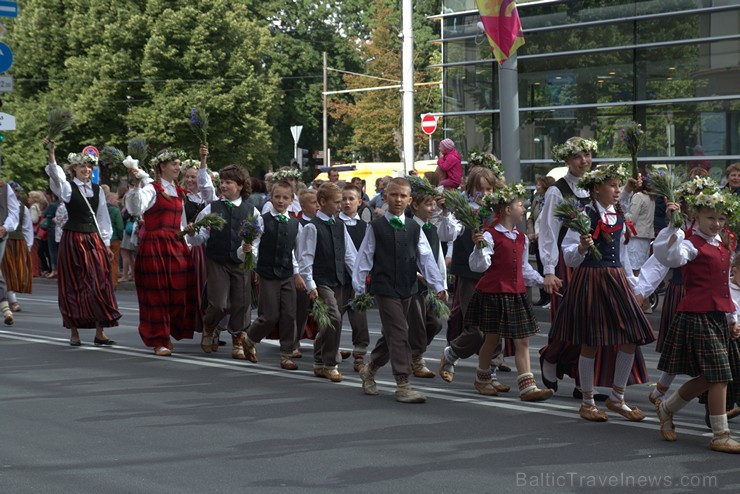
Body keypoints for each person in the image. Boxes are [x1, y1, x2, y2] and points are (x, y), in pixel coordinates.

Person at [549, 163, 654, 422]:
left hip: (616, 277)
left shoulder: (618, 215)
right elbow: (570, 255)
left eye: (619, 186)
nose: (618, 190)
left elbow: (623, 254)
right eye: (612, 185)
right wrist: (583, 248)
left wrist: (634, 284)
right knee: (591, 341)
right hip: (592, 278)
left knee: (632, 335)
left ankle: (617, 397)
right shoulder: (583, 214)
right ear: (596, 188)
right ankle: (587, 401)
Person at [652, 189, 740, 453]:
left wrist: (732, 317)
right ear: (695, 217)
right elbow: (669, 257)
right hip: (697, 315)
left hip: (718, 316)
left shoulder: (721, 246)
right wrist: (672, 227)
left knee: (711, 376)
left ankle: (667, 408)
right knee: (719, 376)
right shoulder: (689, 244)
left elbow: (725, 285)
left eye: (721, 219)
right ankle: (720, 434)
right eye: (710, 217)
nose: (716, 224)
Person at [355, 178, 448, 403]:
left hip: (407, 287)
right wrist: (359, 291)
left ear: (409, 200)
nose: (398, 199)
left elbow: (426, 258)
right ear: (385, 197)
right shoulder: (376, 227)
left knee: (391, 334)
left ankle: (371, 369)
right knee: (400, 331)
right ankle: (403, 383)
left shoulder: (415, 227)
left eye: (402, 196)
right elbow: (363, 259)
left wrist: (438, 285)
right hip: (384, 287)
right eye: (393, 195)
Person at [468, 183, 553, 401]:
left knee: (522, 340)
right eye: (519, 205)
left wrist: (542, 280)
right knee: (492, 339)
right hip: (494, 292)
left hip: (516, 293)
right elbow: (479, 266)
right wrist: (479, 249)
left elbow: (523, 268)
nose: (524, 209)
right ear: (507, 210)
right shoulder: (489, 235)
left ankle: (527, 387)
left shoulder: (521, 237)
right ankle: (482, 378)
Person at [44, 140, 120, 345]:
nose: (86, 170)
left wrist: (105, 243)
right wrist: (52, 155)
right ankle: (74, 332)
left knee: (100, 283)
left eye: (89, 166)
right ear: (74, 169)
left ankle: (100, 332)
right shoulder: (68, 188)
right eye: (82, 166)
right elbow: (56, 178)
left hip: (93, 239)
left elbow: (103, 217)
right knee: (74, 284)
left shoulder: (97, 190)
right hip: (73, 239)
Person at [126, 149, 196, 356]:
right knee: (156, 294)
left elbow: (182, 222)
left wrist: (188, 242)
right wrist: (137, 184)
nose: (178, 167)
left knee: (178, 292)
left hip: (175, 245)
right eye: (174, 163)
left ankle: (169, 331)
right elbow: (136, 208)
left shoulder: (179, 192)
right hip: (155, 246)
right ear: (161, 167)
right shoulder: (152, 188)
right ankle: (159, 338)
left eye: (178, 163)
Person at [186, 165, 257, 361]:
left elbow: (258, 237)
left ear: (240, 186)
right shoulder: (212, 208)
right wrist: (192, 233)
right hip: (217, 260)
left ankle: (237, 340)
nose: (223, 185)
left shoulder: (251, 211)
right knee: (218, 303)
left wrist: (251, 250)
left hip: (241, 262)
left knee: (241, 304)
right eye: (222, 182)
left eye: (228, 182)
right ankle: (209, 326)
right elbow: (200, 236)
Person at [439, 166, 502, 383]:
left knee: (495, 326)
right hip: (468, 275)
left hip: (494, 274)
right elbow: (448, 234)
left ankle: (489, 371)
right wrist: (447, 213)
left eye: (488, 189)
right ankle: (452, 353)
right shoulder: (462, 210)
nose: (484, 194)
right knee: (475, 328)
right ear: (470, 189)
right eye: (479, 189)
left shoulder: (498, 211)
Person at [298, 182, 357, 382]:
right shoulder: (312, 227)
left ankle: (319, 361)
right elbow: (305, 258)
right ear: (322, 202)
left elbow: (349, 255)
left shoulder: (339, 224)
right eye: (336, 202)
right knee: (334, 318)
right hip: (321, 281)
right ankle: (330, 363)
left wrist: (359, 280)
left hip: (338, 280)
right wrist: (310, 285)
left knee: (330, 321)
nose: (340, 206)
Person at [243, 180, 305, 369]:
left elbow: (296, 253)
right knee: (270, 314)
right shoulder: (263, 220)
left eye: (285, 198)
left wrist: (297, 274)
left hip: (286, 274)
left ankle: (286, 354)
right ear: (271, 198)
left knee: (289, 314)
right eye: (277, 197)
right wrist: (249, 257)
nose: (280, 201)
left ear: (291, 200)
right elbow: (254, 245)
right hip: (267, 273)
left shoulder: (296, 224)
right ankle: (250, 337)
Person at [405, 178, 455, 378]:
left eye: (433, 203)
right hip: (413, 283)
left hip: (431, 285)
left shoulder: (431, 229)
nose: (432, 207)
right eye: (428, 203)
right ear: (415, 206)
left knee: (435, 323)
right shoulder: (408, 227)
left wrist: (442, 285)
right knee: (416, 322)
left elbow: (438, 260)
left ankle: (410, 352)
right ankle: (417, 359)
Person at [338, 184, 370, 372]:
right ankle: (328, 346)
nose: (347, 202)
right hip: (339, 278)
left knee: (359, 318)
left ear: (359, 201)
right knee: (334, 316)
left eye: (351, 199)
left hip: (359, 281)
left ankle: (359, 355)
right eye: (343, 199)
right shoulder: (335, 223)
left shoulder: (365, 226)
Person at [1, 183, 33, 314]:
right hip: (4, 240)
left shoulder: (22, 208)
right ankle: (12, 301)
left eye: (16, 191)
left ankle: (10, 299)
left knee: (14, 272)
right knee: (6, 271)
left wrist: (28, 246)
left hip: (17, 243)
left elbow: (27, 227)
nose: (15, 194)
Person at [527, 176, 555, 307]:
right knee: (539, 267)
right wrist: (531, 233)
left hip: (547, 239)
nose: (536, 187)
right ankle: (543, 297)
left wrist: (543, 234)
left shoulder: (553, 199)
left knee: (548, 268)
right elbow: (531, 217)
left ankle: (551, 297)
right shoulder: (537, 200)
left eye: (538, 184)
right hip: (536, 239)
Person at [626, 178, 656, 279]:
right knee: (640, 271)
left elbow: (632, 219)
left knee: (632, 271)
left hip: (636, 237)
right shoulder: (651, 198)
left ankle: (633, 294)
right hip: (645, 238)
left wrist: (620, 213)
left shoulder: (638, 196)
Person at [102, 187, 124, 289]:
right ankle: (113, 283)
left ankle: (103, 282)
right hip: (114, 239)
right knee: (114, 262)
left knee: (103, 261)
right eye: (116, 199)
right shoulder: (115, 210)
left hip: (103, 239)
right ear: (110, 200)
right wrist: (121, 237)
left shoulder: (102, 209)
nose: (118, 202)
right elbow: (119, 226)